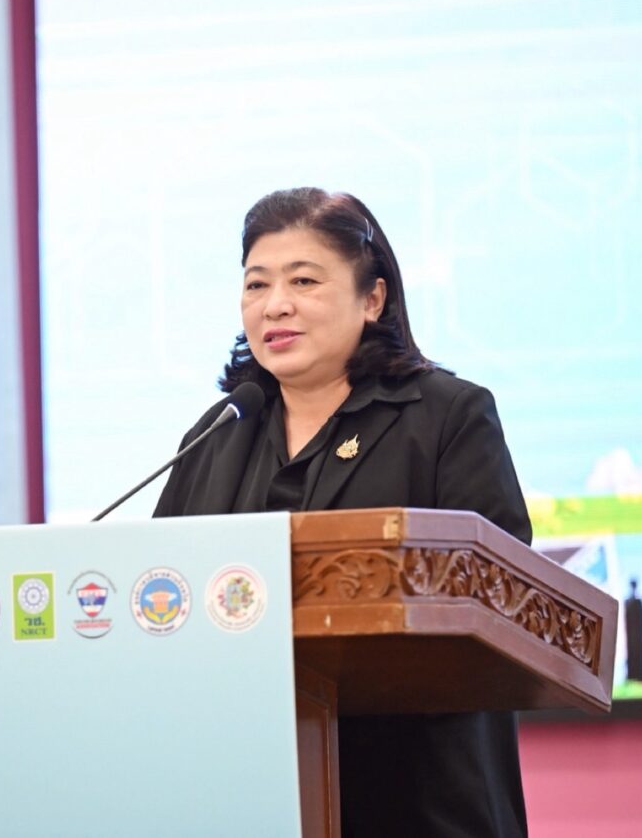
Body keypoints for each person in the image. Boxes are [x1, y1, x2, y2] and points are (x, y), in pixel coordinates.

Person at [154, 187, 532, 837]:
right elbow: (159, 595)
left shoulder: (446, 417)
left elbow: (503, 601)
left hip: (418, 797)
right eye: (256, 284)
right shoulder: (219, 434)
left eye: (303, 280)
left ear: (372, 298)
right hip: (244, 795)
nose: (275, 304)